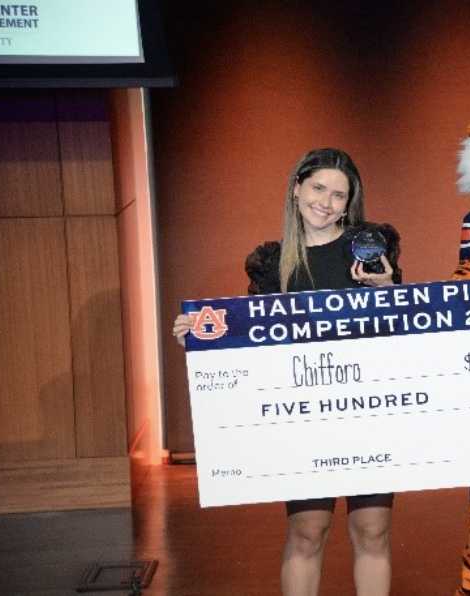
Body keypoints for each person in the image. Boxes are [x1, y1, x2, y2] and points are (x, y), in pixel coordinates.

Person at [171, 148, 402, 596]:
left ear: (349, 203)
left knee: (373, 531)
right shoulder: (272, 262)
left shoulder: (371, 247)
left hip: (367, 412)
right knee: (307, 532)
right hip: (304, 419)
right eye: (318, 188)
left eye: (339, 195)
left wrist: (387, 287)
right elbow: (255, 334)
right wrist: (200, 335)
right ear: (297, 188)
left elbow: (407, 323)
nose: (326, 202)